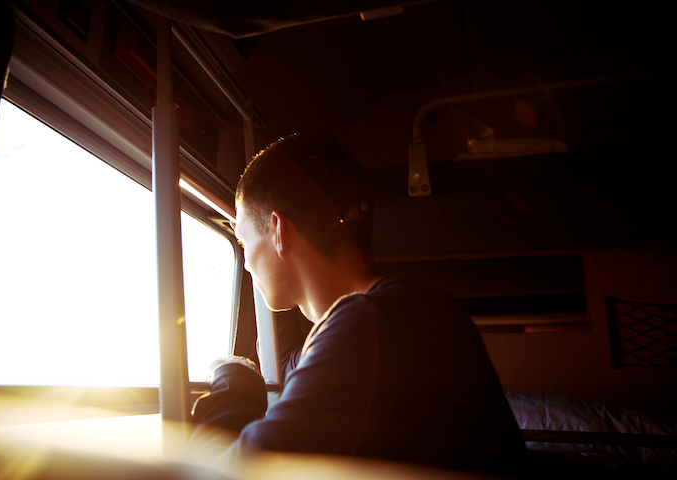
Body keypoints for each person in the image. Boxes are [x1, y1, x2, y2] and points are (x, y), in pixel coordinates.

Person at [183, 133, 527, 475]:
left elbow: (226, 475)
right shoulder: (405, 309)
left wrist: (234, 383)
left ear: (278, 231)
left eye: (243, 240)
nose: (244, 262)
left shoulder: (371, 323)